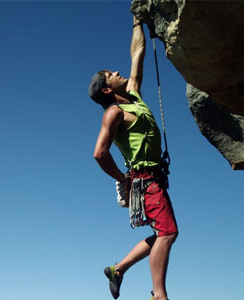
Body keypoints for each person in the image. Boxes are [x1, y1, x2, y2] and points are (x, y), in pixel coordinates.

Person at [88, 15, 178, 300]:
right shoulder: (113, 113)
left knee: (164, 231)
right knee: (167, 233)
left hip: (155, 179)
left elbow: (137, 53)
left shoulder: (134, 96)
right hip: (145, 180)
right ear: (106, 89)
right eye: (111, 74)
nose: (118, 71)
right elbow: (99, 153)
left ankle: (118, 269)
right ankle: (159, 295)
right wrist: (122, 178)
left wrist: (136, 22)